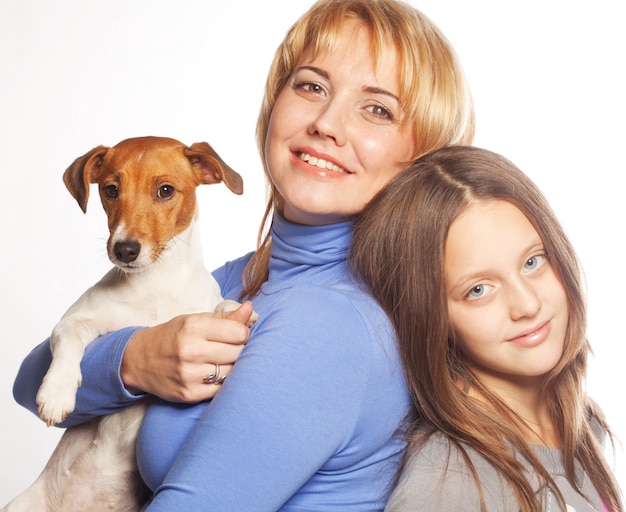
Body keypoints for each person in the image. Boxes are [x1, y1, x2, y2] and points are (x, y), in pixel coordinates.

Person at [12, 0, 475, 509]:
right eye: (311, 86)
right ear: (274, 102)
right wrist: (134, 360)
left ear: (421, 155)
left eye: (377, 109)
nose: (325, 122)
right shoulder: (235, 280)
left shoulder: (329, 321)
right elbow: (30, 384)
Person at [351, 145, 623, 512]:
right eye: (478, 290)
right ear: (433, 320)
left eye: (533, 261)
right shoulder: (451, 485)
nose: (527, 305)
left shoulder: (582, 422)